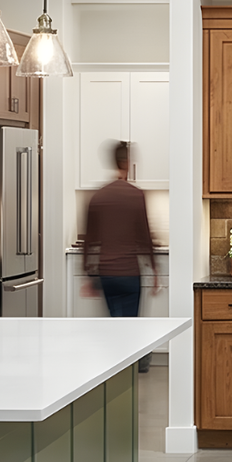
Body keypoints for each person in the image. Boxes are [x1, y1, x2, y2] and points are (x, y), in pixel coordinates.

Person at [80, 140, 162, 371]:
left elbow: (89, 239)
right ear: (128, 163)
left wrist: (87, 274)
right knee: (130, 327)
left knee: (114, 325)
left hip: (106, 274)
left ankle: (115, 370)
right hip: (129, 273)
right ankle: (132, 368)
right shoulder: (136, 195)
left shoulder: (98, 197)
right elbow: (145, 236)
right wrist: (154, 271)